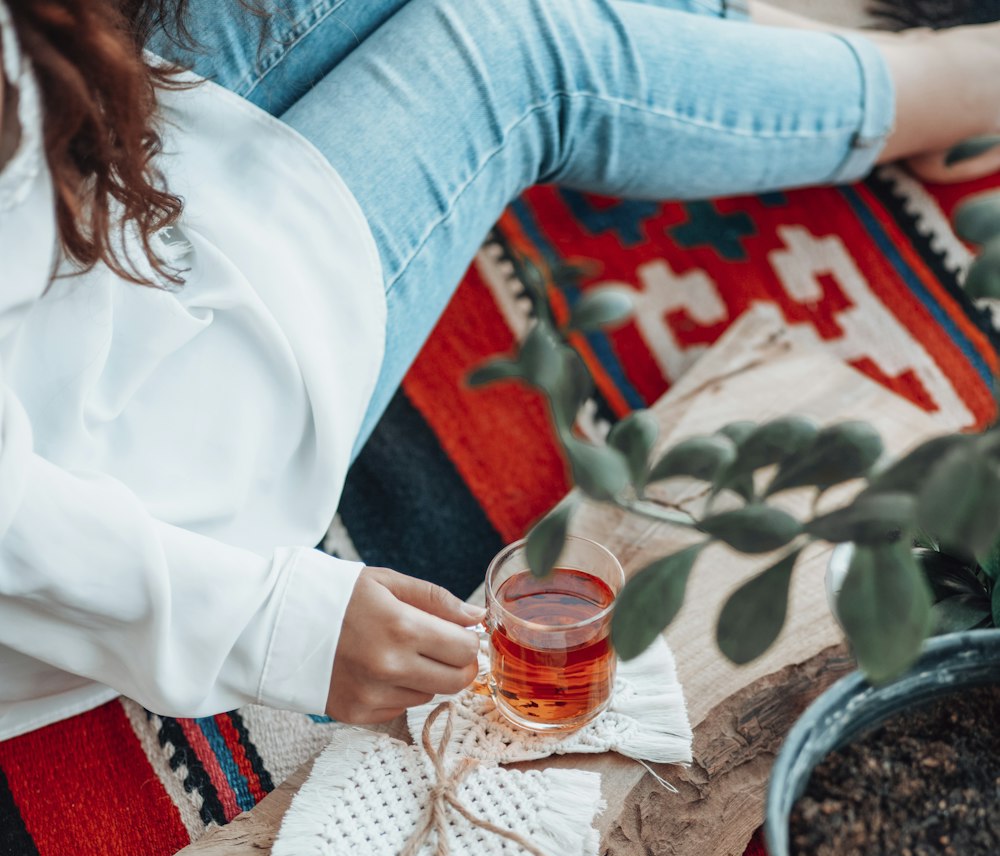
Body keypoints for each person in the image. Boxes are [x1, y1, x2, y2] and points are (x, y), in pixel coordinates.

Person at [1, 0, 998, 738]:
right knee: (517, 53)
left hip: (61, 191)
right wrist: (273, 623)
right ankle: (946, 84)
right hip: (106, 459)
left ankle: (789, 56)